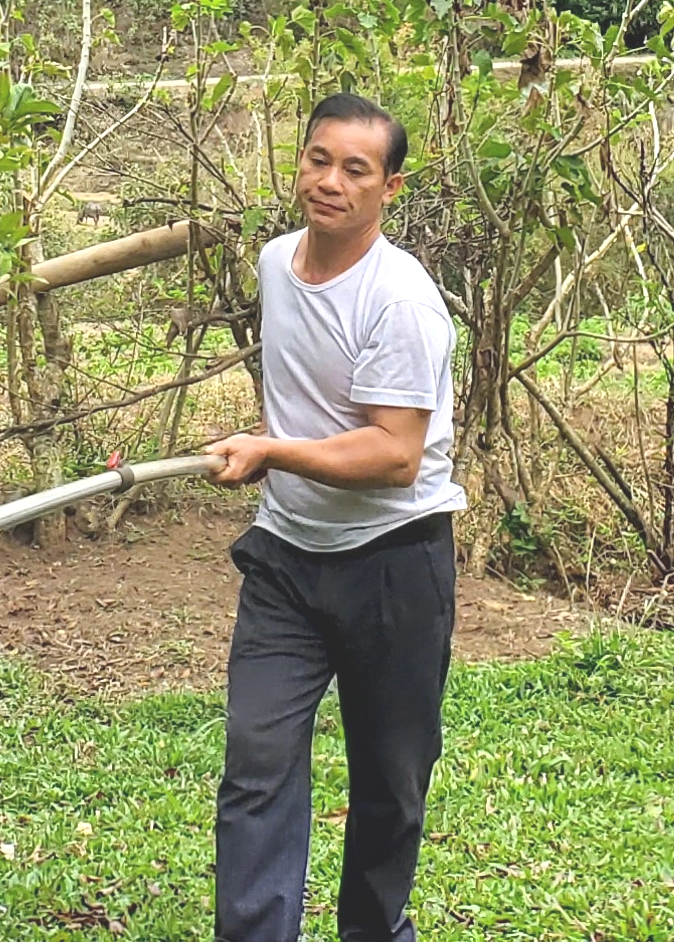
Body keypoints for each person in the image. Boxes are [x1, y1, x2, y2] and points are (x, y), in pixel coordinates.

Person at [203, 91, 466, 942]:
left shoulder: (402, 302)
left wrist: (273, 451)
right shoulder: (278, 262)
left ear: (390, 187)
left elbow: (393, 456)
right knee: (257, 760)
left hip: (394, 559)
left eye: (357, 169)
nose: (331, 182)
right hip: (287, 556)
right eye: (319, 159)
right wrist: (273, 456)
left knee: (390, 781)